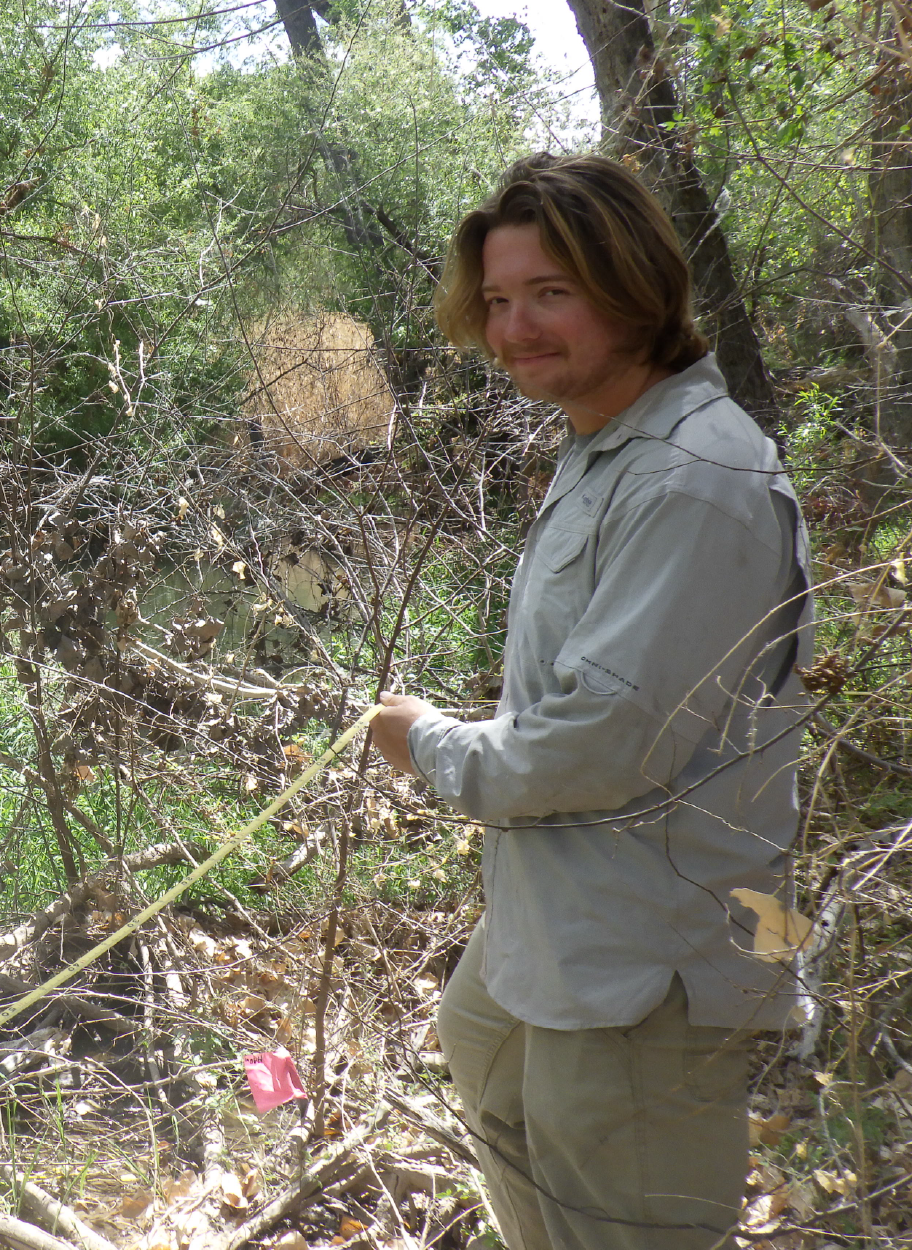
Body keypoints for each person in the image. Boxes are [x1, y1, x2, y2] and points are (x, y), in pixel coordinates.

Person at [369, 151, 812, 1250]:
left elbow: (602, 740)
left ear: (631, 287)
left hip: (641, 957)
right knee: (492, 1073)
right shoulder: (602, 449)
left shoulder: (689, 476)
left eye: (549, 294)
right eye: (499, 299)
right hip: (553, 927)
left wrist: (427, 744)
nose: (513, 327)